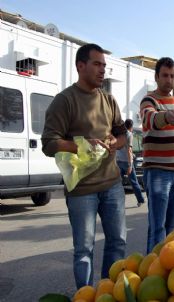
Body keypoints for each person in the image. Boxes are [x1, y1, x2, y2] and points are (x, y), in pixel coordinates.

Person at [41, 43, 127, 289]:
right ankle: (86, 296)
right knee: (83, 250)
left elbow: (122, 135)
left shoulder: (109, 100)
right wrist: (79, 145)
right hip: (81, 190)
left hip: (112, 184)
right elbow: (48, 143)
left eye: (104, 65)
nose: (103, 70)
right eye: (97, 64)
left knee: (118, 242)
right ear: (81, 66)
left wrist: (115, 142)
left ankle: (109, 292)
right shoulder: (64, 100)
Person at [140, 57, 174, 254]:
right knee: (158, 228)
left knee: (170, 227)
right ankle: (153, 270)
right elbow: (149, 119)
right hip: (157, 172)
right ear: (156, 77)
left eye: (172, 76)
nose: (169, 80)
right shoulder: (149, 100)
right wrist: (165, 117)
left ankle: (164, 265)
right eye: (164, 75)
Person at [116, 118, 145, 207]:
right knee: (134, 182)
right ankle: (140, 200)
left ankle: (118, 202)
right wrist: (130, 165)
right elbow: (128, 150)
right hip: (126, 162)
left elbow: (123, 148)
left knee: (118, 183)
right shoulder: (129, 135)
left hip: (118, 161)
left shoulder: (120, 134)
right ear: (131, 127)